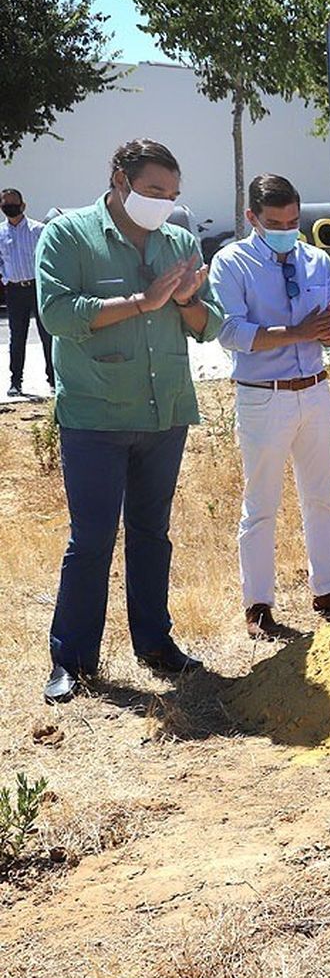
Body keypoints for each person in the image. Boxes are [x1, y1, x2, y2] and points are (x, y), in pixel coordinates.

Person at [34, 139, 220, 703]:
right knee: (91, 539)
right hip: (96, 414)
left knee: (151, 534)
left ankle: (156, 644)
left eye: (172, 194)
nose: (165, 202)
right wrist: (142, 301)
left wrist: (185, 301)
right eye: (154, 190)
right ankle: (72, 660)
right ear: (120, 179)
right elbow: (57, 314)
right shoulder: (69, 236)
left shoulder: (179, 242)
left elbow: (208, 325)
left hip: (165, 412)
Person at [210, 174, 330, 640]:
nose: (287, 230)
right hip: (263, 394)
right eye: (275, 223)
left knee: (321, 498)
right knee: (261, 504)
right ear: (252, 217)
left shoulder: (316, 260)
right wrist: (297, 333)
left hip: (314, 390)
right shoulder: (232, 263)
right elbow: (229, 332)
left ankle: (328, 589)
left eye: (293, 222)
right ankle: (258, 604)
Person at [1, 187, 54, 396]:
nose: (10, 207)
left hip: (38, 289)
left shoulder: (38, 230)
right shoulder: (1, 233)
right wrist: (5, 278)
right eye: (5, 204)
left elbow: (50, 257)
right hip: (14, 291)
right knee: (17, 338)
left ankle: (53, 380)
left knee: (47, 334)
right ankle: (15, 382)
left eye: (13, 203)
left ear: (23, 205)